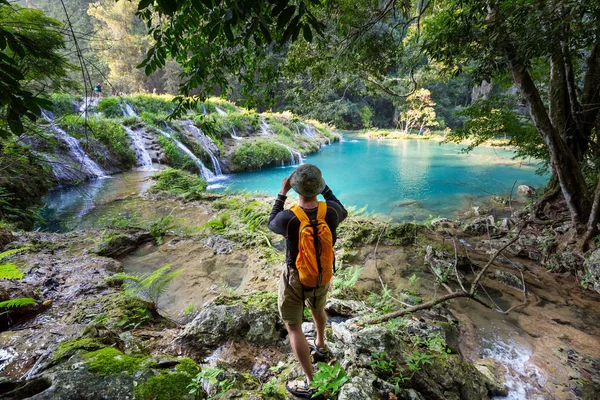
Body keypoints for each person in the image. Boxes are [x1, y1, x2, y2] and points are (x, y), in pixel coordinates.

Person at [268, 164, 348, 398]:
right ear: (320, 187)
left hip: (295, 278)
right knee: (318, 307)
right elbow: (341, 207)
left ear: (295, 189)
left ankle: (311, 381)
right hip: (322, 274)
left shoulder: (289, 218)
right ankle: (321, 345)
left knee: (293, 326)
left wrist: (282, 193)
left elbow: (271, 221)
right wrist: (325, 189)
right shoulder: (331, 211)